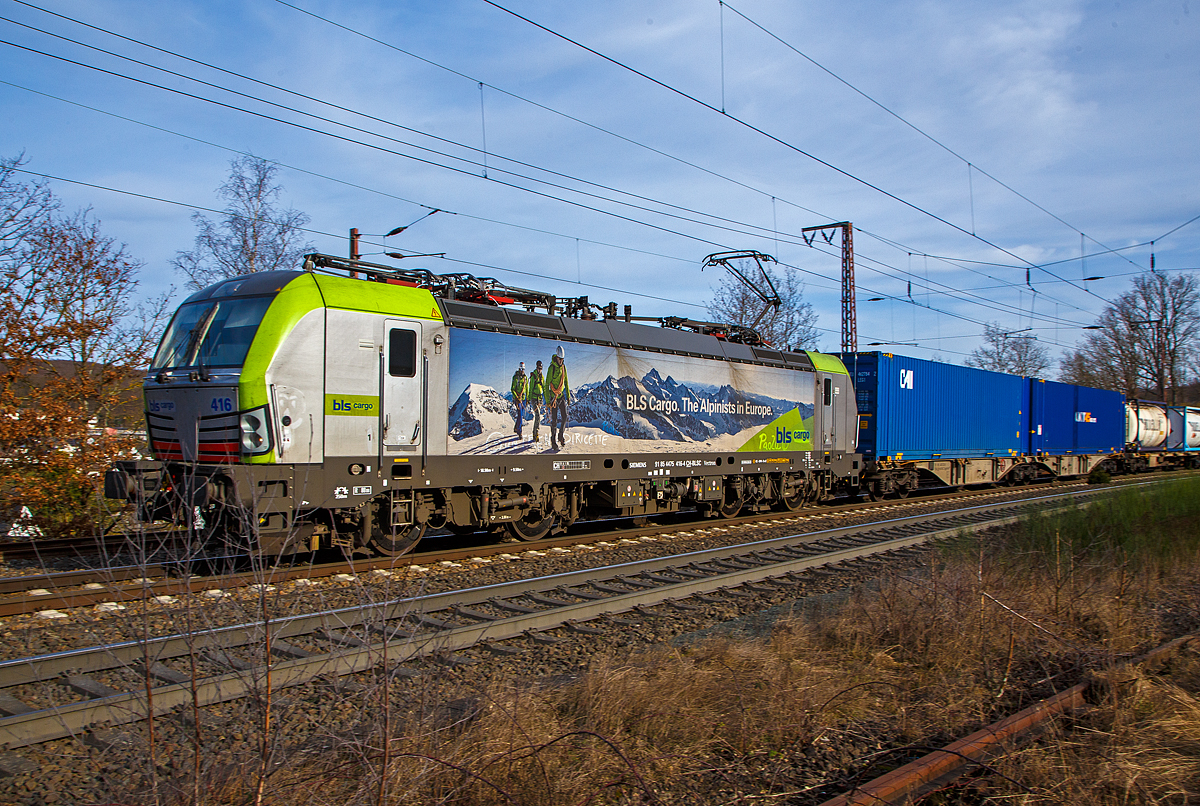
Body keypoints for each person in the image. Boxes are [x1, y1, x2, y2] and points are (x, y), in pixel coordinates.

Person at [545, 346, 569, 450]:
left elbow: (566, 381)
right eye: (560, 359)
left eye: (562, 359)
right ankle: (553, 441)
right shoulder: (552, 368)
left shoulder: (563, 367)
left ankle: (560, 436)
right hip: (553, 397)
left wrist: (568, 395)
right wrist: (547, 400)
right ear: (557, 357)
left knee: (564, 416)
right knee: (554, 420)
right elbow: (546, 385)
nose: (561, 361)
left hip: (561, 395)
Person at [510, 362, 528, 438]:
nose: (522, 370)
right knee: (520, 414)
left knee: (521, 414)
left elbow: (527, 388)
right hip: (518, 399)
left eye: (523, 369)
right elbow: (512, 389)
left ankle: (516, 427)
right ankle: (520, 432)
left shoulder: (525, 378)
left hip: (523, 398)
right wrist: (517, 397)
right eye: (521, 369)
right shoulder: (515, 378)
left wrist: (527, 398)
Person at [528, 359, 545, 442]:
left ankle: (535, 432)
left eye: (541, 368)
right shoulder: (533, 377)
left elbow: (544, 387)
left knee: (538, 416)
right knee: (537, 415)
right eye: (538, 368)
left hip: (540, 398)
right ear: (536, 367)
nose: (539, 370)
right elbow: (531, 388)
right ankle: (535, 433)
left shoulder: (542, 377)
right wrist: (529, 399)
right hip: (534, 398)